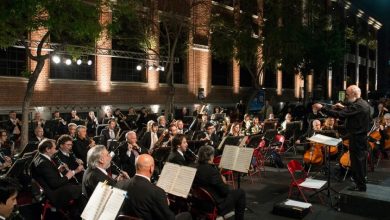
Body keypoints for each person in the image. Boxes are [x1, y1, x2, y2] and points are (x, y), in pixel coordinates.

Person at [313, 85, 370, 192]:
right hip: (359, 138)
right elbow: (352, 109)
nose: (346, 97)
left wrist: (322, 108)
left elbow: (339, 115)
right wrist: (343, 106)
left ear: (353, 94)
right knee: (358, 163)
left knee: (357, 163)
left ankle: (361, 186)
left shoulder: (358, 106)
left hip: (357, 139)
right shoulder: (362, 103)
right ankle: (360, 184)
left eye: (347, 95)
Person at [119, 154, 191, 220]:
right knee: (186, 215)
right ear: (151, 168)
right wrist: (165, 203)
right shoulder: (157, 192)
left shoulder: (120, 184)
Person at [194, 145, 246, 220]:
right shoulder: (212, 171)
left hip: (201, 202)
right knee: (241, 192)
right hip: (215, 205)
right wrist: (223, 181)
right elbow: (225, 191)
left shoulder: (196, 168)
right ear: (211, 156)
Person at [31, 139, 81, 208]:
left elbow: (47, 174)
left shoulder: (39, 157)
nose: (56, 150)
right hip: (54, 194)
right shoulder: (43, 163)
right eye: (54, 148)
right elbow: (55, 184)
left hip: (51, 189)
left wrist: (57, 170)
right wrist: (68, 176)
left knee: (77, 187)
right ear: (47, 149)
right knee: (81, 189)